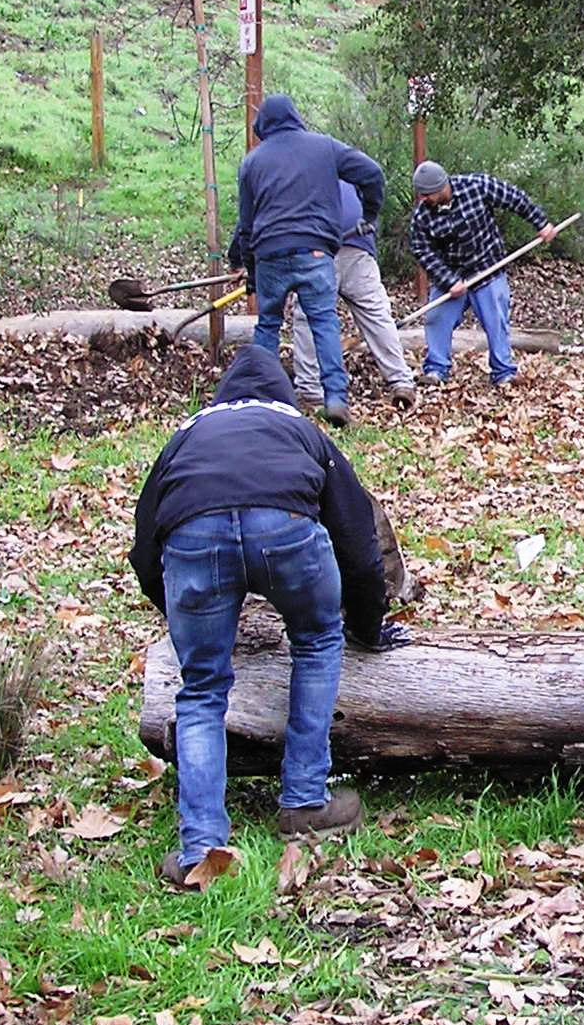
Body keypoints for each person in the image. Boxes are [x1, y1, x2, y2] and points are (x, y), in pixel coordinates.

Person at [130, 345, 394, 890]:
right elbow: (357, 540)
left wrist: (180, 620)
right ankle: (303, 800)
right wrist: (368, 627)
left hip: (195, 537)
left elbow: (145, 546)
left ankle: (200, 848)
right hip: (287, 532)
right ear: (283, 394)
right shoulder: (301, 428)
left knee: (201, 686)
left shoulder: (188, 433)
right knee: (319, 639)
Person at [226, 94, 386, 430]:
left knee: (268, 325)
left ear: (263, 127)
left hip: (270, 253)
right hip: (315, 252)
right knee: (324, 323)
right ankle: (336, 399)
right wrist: (369, 214)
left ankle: (265, 401)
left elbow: (246, 224)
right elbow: (371, 173)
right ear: (296, 117)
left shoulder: (252, 163)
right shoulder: (324, 147)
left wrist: (252, 274)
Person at [406, 160, 557, 390]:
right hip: (451, 275)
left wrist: (541, 223)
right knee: (435, 317)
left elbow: (514, 197)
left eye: (428, 194)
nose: (424, 200)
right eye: (422, 195)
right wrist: (449, 280)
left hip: (487, 269)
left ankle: (503, 371)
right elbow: (422, 251)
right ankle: (436, 370)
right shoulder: (422, 216)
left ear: (442, 186)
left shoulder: (476, 186)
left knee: (496, 319)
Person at [288, 179, 420, 415]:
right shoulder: (343, 169)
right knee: (376, 314)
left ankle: (310, 390)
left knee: (308, 317)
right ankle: (401, 380)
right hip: (357, 244)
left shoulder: (293, 174)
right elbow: (371, 188)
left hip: (318, 249)